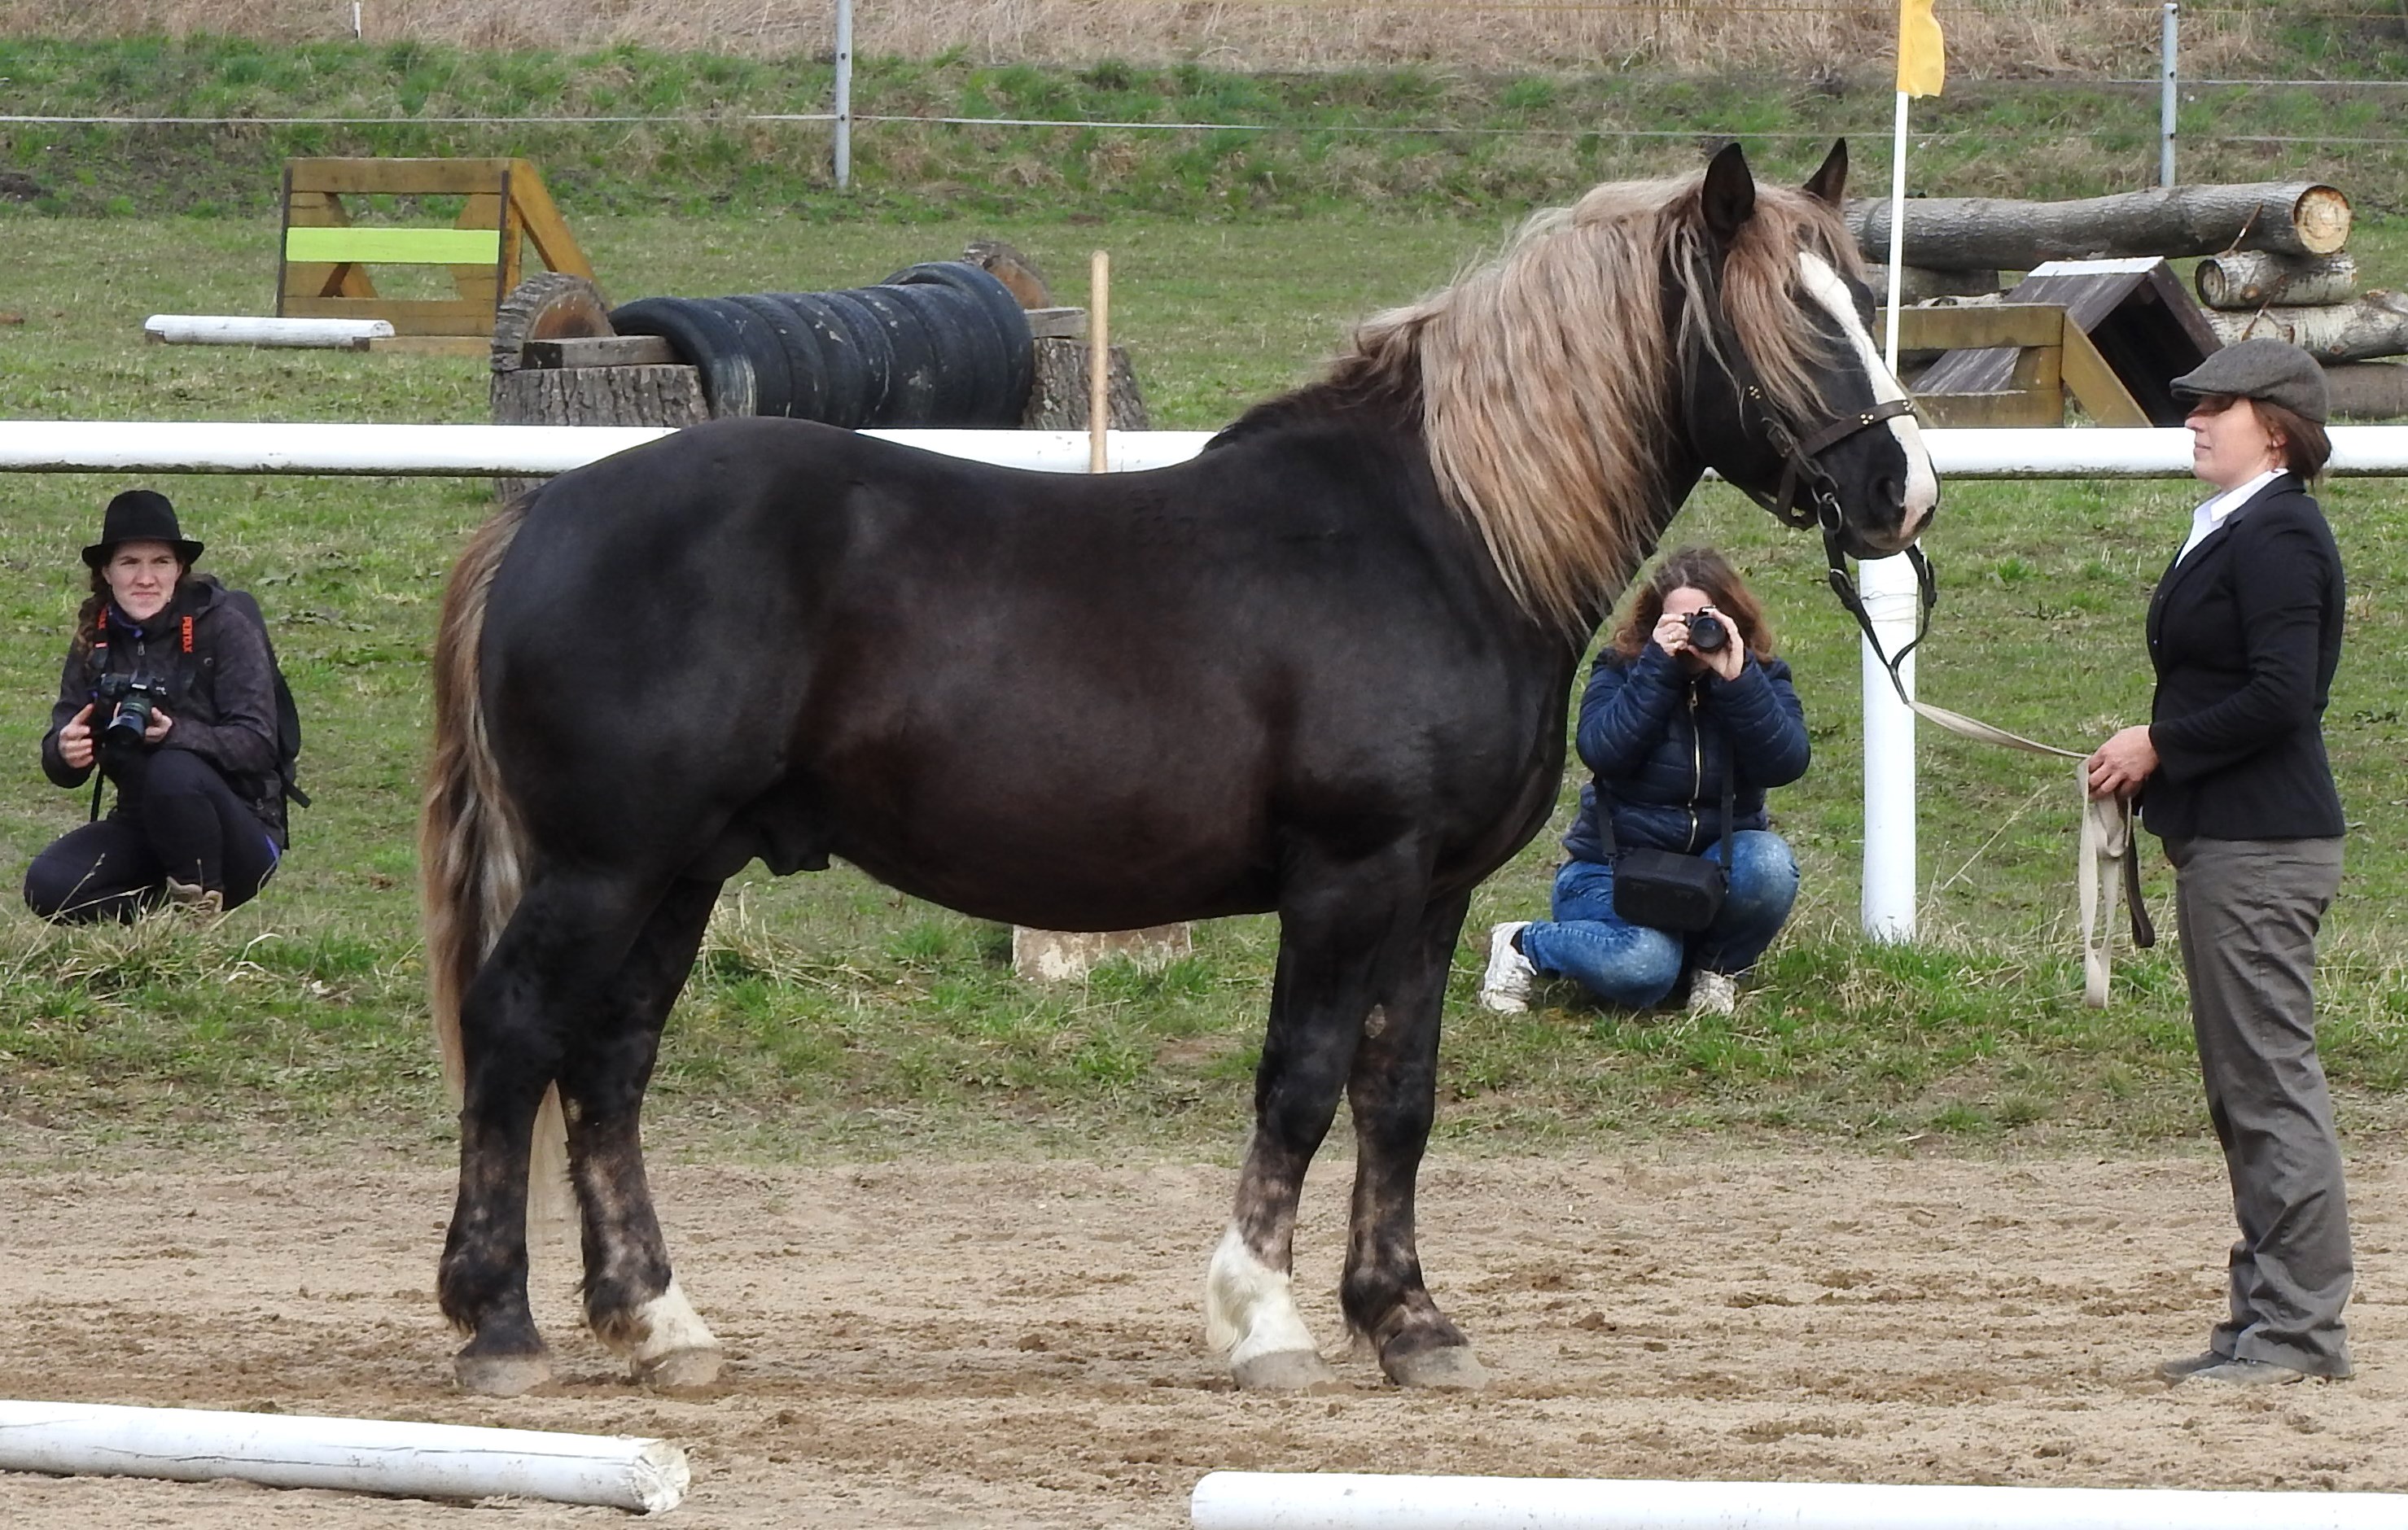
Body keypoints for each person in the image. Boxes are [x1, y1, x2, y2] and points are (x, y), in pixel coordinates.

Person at [2085, 339, 2353, 1388]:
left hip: (2261, 844)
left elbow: (2287, 695)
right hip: (2233, 835)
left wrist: (2162, 745)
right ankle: (2267, 1317)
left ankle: (2297, 1331)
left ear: (2276, 428)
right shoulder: (2243, 526)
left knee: (2270, 1086)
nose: (2193, 419)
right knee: (2248, 1088)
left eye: (2217, 406)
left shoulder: (2278, 531)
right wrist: (2159, 749)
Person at [1480, 547, 1808, 1018]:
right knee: (1646, 968)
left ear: (1732, 619)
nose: (1693, 634)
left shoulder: (1762, 677)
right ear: (1653, 622)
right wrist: (1658, 669)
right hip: (1608, 873)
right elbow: (1602, 751)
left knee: (1771, 863)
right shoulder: (1620, 670)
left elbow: (1787, 764)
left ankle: (1714, 970)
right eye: (1678, 621)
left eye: (1705, 619)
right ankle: (1522, 942)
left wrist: (1738, 685)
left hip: (1710, 872)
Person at [24, 489, 285, 922]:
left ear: (179, 569)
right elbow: (62, 761)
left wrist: (176, 734)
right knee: (48, 885)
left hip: (240, 832)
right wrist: (63, 752)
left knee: (171, 767)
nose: (145, 578)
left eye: (160, 563)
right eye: (130, 563)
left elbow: (259, 744)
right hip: (141, 821)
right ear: (106, 572)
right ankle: (166, 923)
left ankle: (200, 897)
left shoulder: (224, 626)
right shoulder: (95, 636)